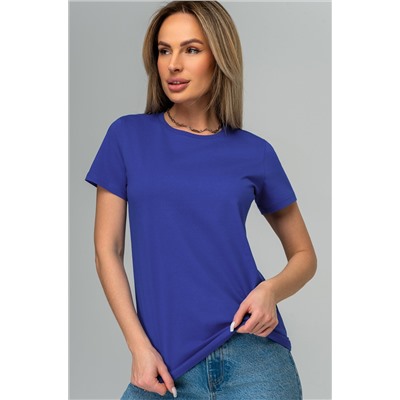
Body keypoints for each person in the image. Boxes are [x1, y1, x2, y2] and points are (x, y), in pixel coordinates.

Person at [85, 1, 317, 399]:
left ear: (219, 57)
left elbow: (305, 256)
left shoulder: (255, 153)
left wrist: (270, 292)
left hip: (254, 360)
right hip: (165, 367)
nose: (173, 64)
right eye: (164, 50)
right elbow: (108, 250)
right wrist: (139, 348)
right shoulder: (126, 137)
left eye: (191, 49)